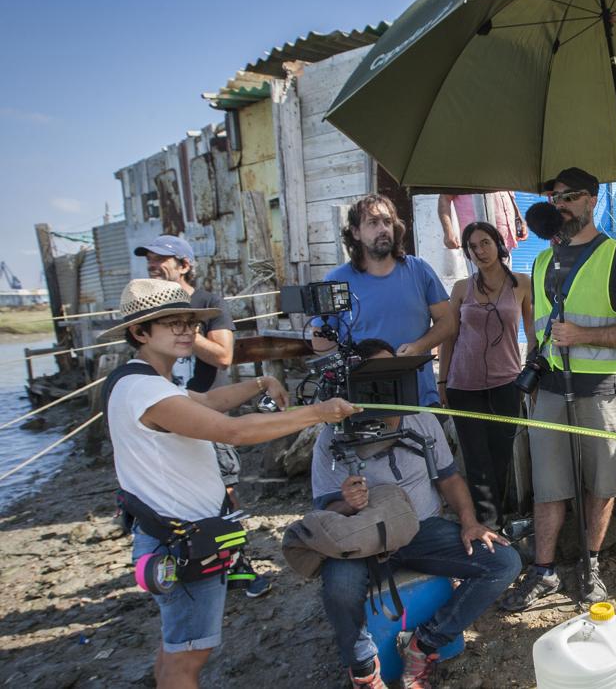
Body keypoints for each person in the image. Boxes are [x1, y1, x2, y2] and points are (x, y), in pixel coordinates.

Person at [101, 278, 359, 689]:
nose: (186, 330)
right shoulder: (145, 390)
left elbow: (206, 403)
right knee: (189, 657)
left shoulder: (142, 382)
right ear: (140, 332)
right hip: (179, 540)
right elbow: (231, 432)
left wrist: (260, 383)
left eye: (189, 322)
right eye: (171, 323)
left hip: (177, 537)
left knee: (178, 647)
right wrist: (319, 413)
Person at [313, 339, 521, 689]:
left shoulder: (421, 421)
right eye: (379, 374)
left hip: (420, 530)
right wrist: (348, 502)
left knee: (504, 562)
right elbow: (324, 510)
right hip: (360, 536)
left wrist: (470, 523)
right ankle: (364, 669)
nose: (391, 380)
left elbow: (450, 477)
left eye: (396, 370)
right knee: (338, 589)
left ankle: (424, 644)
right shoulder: (332, 435)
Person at [500, 167, 616, 610]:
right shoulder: (542, 260)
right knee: (548, 485)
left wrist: (582, 335)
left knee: (601, 483)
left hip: (603, 389)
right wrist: (531, 368)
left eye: (570, 196)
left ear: (591, 201)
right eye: (554, 196)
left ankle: (592, 566)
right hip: (548, 387)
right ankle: (544, 571)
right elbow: (540, 329)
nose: (561, 204)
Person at [134, 234, 270, 598]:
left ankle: (239, 562)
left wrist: (179, 324)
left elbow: (224, 356)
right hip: (160, 415)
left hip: (203, 410)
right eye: (148, 259)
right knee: (169, 492)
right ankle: (187, 565)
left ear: (184, 264)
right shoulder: (146, 310)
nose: (152, 264)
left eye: (160, 258)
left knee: (224, 490)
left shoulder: (207, 303)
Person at [312, 194, 457, 407]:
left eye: (387, 222)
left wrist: (419, 346)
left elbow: (448, 323)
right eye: (373, 222)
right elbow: (321, 342)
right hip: (365, 403)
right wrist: (356, 367)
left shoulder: (419, 270)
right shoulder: (336, 281)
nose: (383, 229)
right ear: (355, 232)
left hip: (420, 398)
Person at [438, 221, 535, 526]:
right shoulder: (461, 288)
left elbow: (532, 334)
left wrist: (531, 371)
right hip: (463, 385)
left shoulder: (521, 283)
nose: (479, 251)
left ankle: (498, 522)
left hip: (506, 384)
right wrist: (442, 380)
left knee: (500, 457)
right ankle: (489, 527)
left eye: (485, 243)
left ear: (498, 244)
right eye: (472, 246)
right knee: (477, 461)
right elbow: (449, 336)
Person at [437, 192, 526, 251]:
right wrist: (448, 232)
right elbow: (444, 198)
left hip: (505, 241)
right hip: (478, 245)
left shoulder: (500, 167)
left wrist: (518, 218)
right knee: (481, 279)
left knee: (505, 278)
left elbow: (508, 194)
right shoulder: (460, 168)